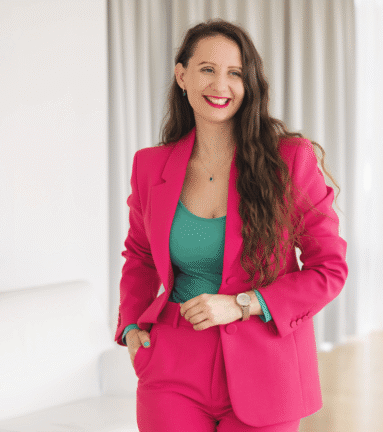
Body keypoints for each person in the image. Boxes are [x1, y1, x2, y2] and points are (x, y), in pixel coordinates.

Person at [115, 19, 348, 432]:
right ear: (182, 76)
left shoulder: (290, 160)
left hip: (267, 370)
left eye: (235, 73)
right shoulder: (150, 166)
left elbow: (328, 270)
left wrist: (243, 304)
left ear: (249, 83)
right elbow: (140, 255)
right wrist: (131, 326)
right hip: (172, 365)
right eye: (207, 69)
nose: (220, 85)